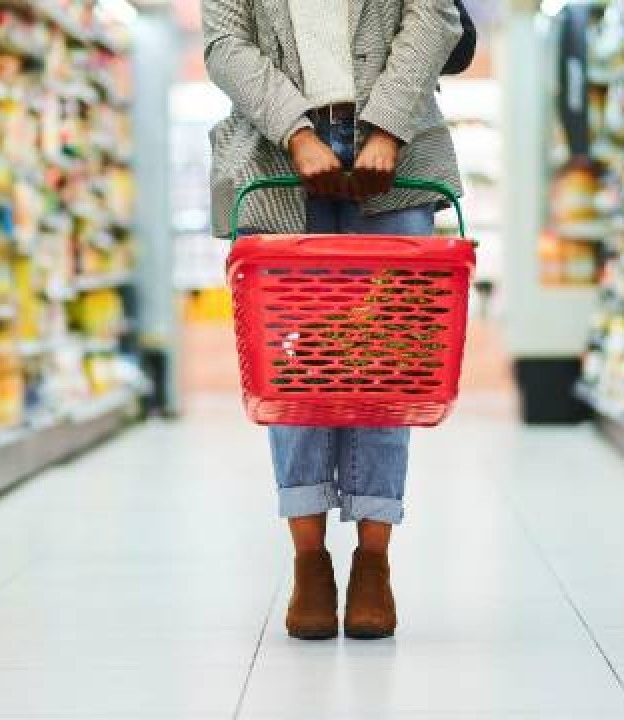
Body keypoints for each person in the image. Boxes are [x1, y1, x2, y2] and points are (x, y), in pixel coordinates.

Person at [203, 0, 464, 639]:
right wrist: (295, 130)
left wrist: (386, 128)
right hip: (277, 155)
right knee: (293, 367)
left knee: (386, 362)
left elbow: (435, 17)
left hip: (396, 152)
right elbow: (223, 42)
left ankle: (373, 561)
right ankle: (309, 559)